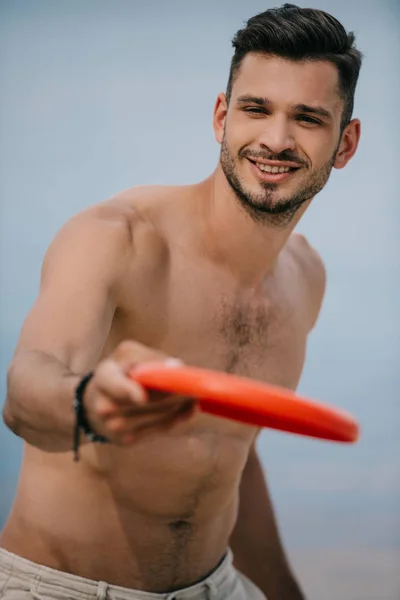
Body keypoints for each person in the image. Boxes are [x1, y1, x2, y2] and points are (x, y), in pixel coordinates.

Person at [0, 4, 362, 600]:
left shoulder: (305, 277)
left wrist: (283, 592)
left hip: (216, 584)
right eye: (255, 108)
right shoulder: (116, 238)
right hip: (60, 586)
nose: (276, 138)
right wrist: (89, 402)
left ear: (344, 143)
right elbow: (25, 392)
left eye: (307, 118)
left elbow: (233, 454)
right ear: (222, 117)